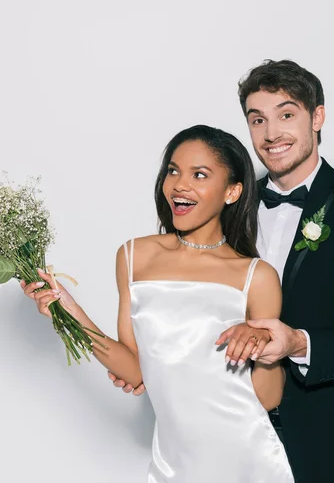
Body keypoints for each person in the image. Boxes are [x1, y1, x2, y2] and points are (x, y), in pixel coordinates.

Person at [110, 60, 334, 483]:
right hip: (225, 449)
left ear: (317, 117)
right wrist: (155, 364)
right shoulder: (226, 201)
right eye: (257, 119)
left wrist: (298, 343)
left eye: (286, 115)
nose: (271, 134)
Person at [22, 124, 294, 483]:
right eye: (173, 170)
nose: (180, 184)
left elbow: (269, 397)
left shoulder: (256, 276)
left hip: (248, 461)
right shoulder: (134, 256)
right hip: (173, 465)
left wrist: (262, 346)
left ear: (232, 192)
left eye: (199, 174)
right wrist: (67, 306)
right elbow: (135, 370)